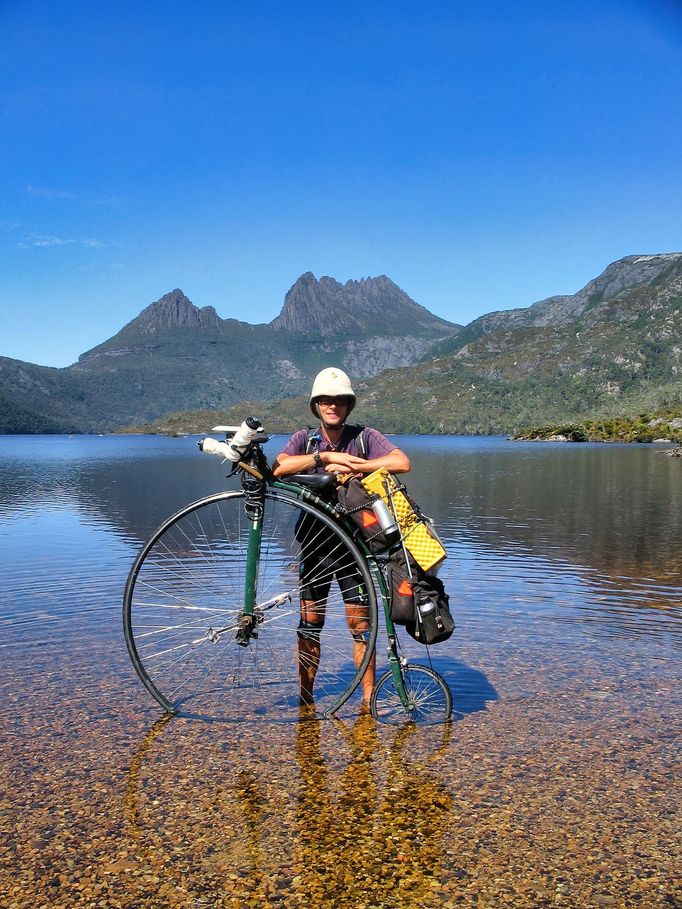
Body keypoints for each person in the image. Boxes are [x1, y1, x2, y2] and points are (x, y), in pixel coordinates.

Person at [273, 367, 410, 705]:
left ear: (348, 405)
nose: (332, 406)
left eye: (339, 401)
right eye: (325, 400)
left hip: (355, 550)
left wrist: (354, 466)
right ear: (316, 405)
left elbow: (402, 462)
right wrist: (324, 457)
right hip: (314, 548)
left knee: (361, 627)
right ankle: (305, 703)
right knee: (309, 625)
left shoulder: (364, 438)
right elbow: (279, 467)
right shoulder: (305, 439)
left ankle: (367, 703)